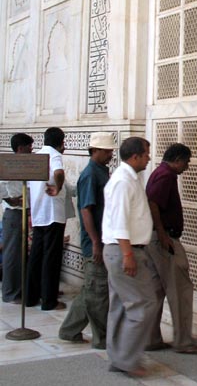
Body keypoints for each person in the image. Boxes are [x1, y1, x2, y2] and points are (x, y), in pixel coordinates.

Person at [102, 136, 157, 377]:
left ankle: (119, 357)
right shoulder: (123, 181)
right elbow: (119, 222)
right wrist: (128, 255)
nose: (149, 158)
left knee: (120, 306)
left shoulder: (130, 178)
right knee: (144, 303)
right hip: (124, 250)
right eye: (146, 154)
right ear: (135, 156)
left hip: (125, 250)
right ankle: (126, 359)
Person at [59, 132, 117, 348]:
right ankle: (102, 339)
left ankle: (69, 330)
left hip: (102, 240)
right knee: (98, 292)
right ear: (96, 151)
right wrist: (95, 243)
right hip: (95, 243)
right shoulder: (91, 174)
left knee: (92, 289)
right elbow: (86, 210)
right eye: (107, 151)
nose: (110, 154)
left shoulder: (100, 171)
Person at [146, 143, 197, 354]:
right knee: (180, 289)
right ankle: (183, 341)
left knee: (156, 290)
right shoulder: (166, 175)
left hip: (154, 239)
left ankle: (150, 338)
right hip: (165, 240)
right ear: (177, 159)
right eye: (186, 162)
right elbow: (153, 202)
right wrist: (162, 233)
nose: (187, 167)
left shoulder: (159, 172)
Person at [26, 127, 67, 310]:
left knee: (36, 255)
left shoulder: (37, 156)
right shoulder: (54, 154)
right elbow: (59, 173)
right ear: (61, 142)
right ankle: (49, 301)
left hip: (38, 213)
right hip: (52, 214)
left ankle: (31, 297)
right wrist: (58, 187)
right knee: (51, 257)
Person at [0, 133, 34, 303]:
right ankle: (11, 293)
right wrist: (9, 199)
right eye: (29, 147)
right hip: (14, 214)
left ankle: (20, 289)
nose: (31, 150)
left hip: (22, 213)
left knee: (20, 254)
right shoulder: (9, 165)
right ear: (20, 148)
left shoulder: (22, 165)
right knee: (12, 255)